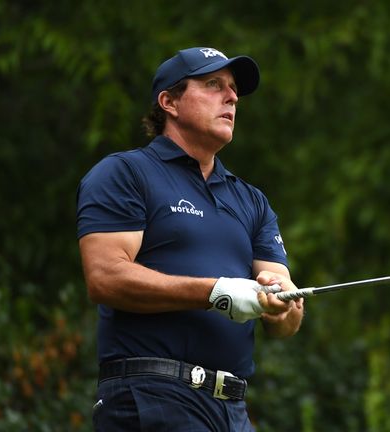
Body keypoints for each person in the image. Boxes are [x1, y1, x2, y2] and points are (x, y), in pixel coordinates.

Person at [76, 46, 304, 431]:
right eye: (213, 84)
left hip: (231, 410)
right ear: (169, 102)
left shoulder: (251, 200)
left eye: (233, 89)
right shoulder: (125, 173)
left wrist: (282, 304)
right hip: (151, 397)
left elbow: (286, 317)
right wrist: (215, 291)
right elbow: (105, 277)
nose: (231, 97)